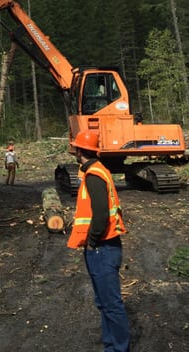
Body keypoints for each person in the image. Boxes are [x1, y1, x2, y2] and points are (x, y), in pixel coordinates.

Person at [67, 131, 130, 352]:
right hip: (102, 247)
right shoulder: (96, 170)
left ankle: (118, 348)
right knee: (104, 303)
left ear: (80, 150)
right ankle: (110, 346)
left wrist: (92, 240)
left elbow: (101, 214)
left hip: (102, 248)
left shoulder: (94, 175)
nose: (73, 151)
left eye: (75, 148)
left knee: (111, 304)